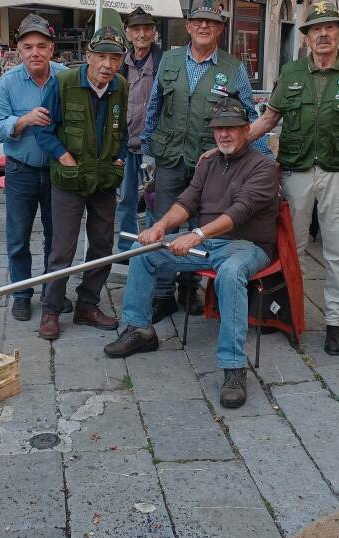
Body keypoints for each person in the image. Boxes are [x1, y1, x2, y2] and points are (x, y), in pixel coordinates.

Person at [104, 98, 280, 409]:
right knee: (142, 251)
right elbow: (187, 201)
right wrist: (160, 226)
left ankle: (234, 367)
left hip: (247, 245)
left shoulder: (264, 167)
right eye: (219, 129)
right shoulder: (208, 164)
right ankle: (140, 329)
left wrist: (196, 234)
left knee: (229, 273)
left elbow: (241, 211)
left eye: (231, 129)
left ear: (245, 130)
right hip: (208, 243)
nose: (224, 135)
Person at [241, 0, 339, 356]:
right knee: (291, 247)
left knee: (337, 249)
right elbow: (269, 119)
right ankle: (287, 312)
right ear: (306, 36)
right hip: (297, 170)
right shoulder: (292, 72)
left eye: (330, 27)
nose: (323, 34)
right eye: (316, 28)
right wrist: (235, 143)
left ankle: (335, 322)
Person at [140, 0, 269, 322]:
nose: (203, 26)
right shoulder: (169, 61)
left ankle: (190, 288)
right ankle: (162, 295)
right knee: (165, 223)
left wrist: (264, 158)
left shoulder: (233, 68)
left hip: (210, 164)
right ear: (188, 26)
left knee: (202, 226)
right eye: (198, 20)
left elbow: (250, 118)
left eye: (210, 22)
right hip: (169, 158)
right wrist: (146, 151)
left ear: (220, 29)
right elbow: (154, 105)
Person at [35, 26, 128, 340]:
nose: (107, 65)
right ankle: (51, 310)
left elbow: (123, 130)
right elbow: (43, 130)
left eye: (114, 58)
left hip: (104, 179)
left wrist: (120, 157)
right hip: (70, 179)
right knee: (62, 249)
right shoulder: (62, 84)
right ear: (88, 56)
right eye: (101, 56)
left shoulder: (121, 87)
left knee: (102, 246)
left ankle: (87, 304)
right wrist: (64, 157)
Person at [0, 14, 67, 323]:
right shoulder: (7, 83)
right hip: (20, 171)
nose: (35, 52)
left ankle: (51, 293)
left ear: (51, 49)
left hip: (56, 172)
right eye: (28, 46)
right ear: (18, 50)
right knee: (18, 236)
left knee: (56, 236)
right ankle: (21, 294)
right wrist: (24, 120)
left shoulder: (65, 78)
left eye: (41, 46)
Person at [116, 7, 163, 252]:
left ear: (154, 32)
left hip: (153, 143)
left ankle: (151, 247)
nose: (141, 34)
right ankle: (125, 248)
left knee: (153, 198)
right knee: (125, 199)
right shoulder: (119, 62)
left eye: (147, 28)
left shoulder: (163, 62)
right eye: (136, 29)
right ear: (128, 33)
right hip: (124, 142)